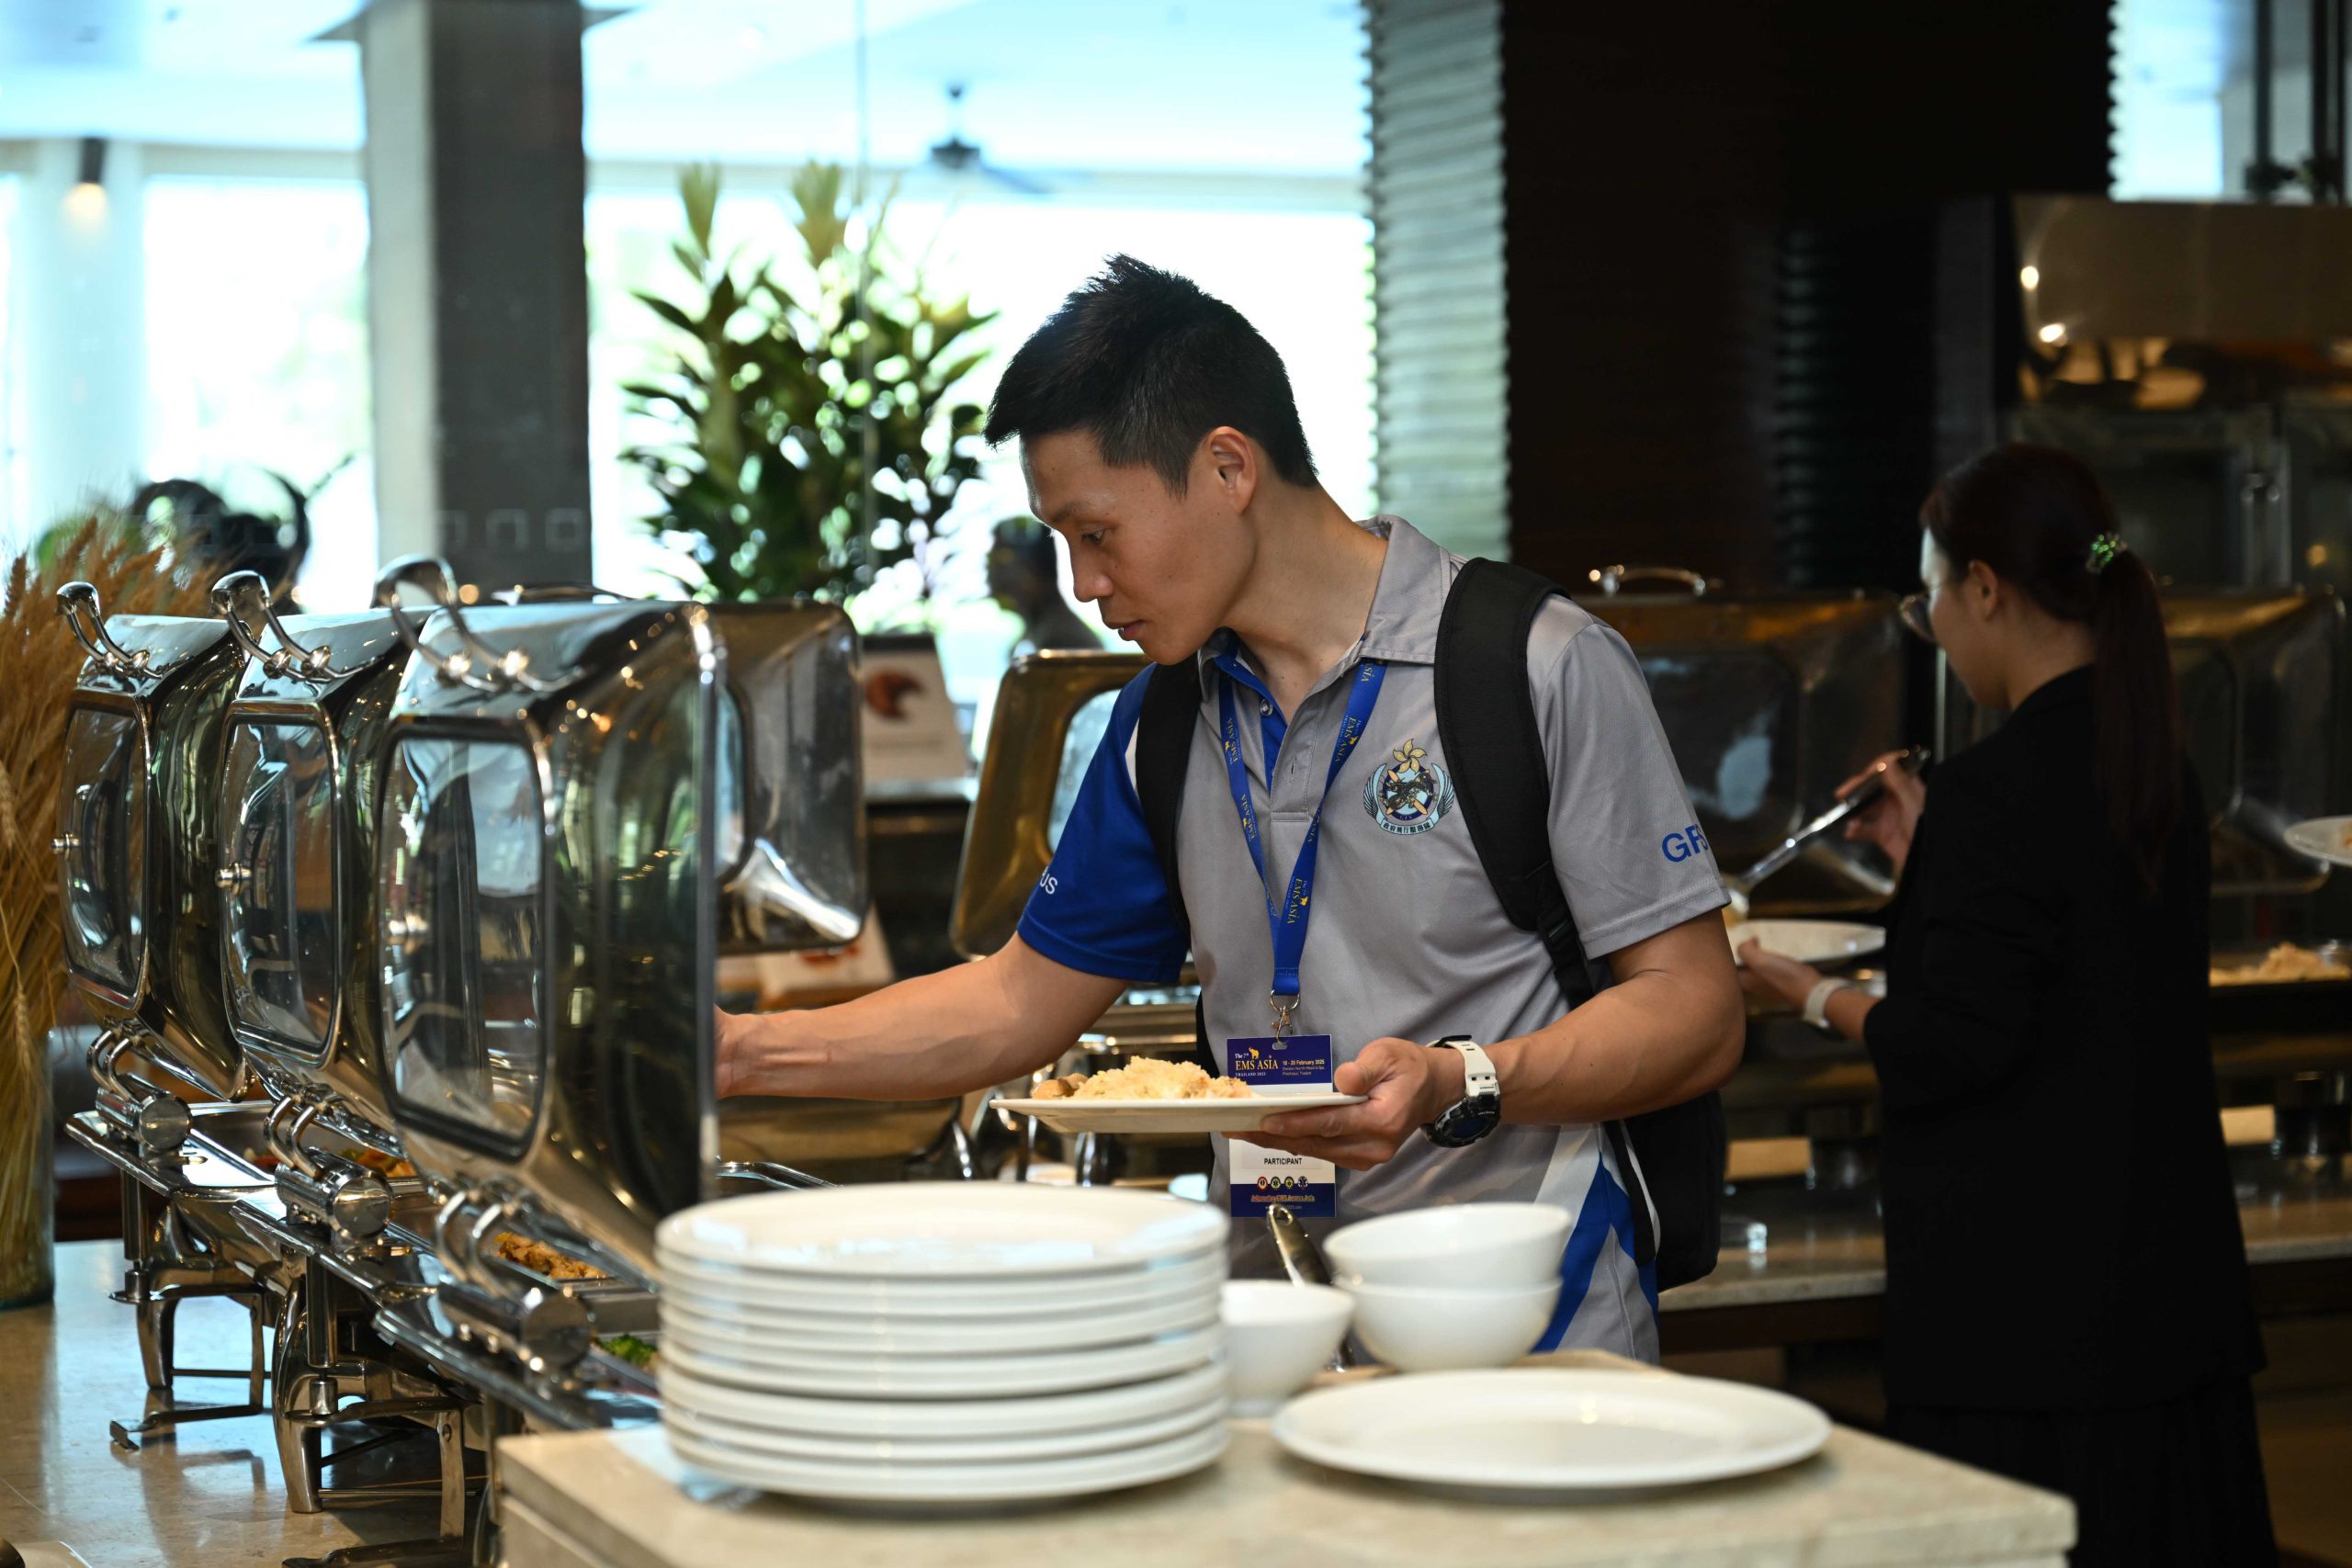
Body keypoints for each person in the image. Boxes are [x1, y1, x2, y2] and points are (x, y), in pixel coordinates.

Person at [718, 255, 1743, 1359]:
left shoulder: (1531, 666)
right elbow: (1017, 1001)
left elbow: (1694, 1011)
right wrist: (733, 1053)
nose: (1082, 585)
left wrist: (1461, 1080)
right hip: (1273, 1337)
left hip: (1531, 1332)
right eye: (1062, 542)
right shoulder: (1161, 722)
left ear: (1226, 467)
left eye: (1096, 533)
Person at [1738, 445, 2274, 1567]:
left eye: (1930, 596)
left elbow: (1950, 1043)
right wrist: (1932, 856)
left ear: (1983, 588)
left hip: (2031, 1316)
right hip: (2160, 1286)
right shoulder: (2149, 759)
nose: (1931, 625)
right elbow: (2072, 965)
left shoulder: (1998, 786)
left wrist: (1806, 988)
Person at [989, 514, 1103, 655]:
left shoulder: (1063, 639)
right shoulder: (1042, 633)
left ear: (1031, 571)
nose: (990, 579)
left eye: (998, 566)